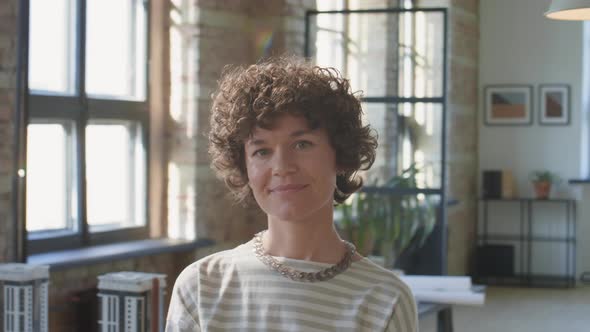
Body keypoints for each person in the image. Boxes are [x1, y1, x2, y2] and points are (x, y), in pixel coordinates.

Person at [165, 55, 418, 332]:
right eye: (262, 151)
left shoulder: (386, 299)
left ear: (341, 154)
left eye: (302, 144)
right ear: (244, 168)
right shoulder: (202, 286)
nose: (282, 167)